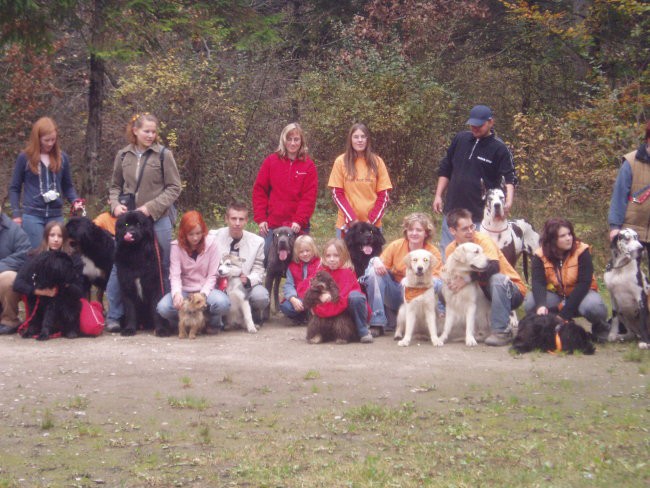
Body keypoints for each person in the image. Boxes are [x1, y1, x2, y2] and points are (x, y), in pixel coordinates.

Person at [105, 113, 182, 332]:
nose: (150, 135)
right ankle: (115, 315)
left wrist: (151, 208)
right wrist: (115, 205)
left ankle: (164, 316)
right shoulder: (123, 155)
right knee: (119, 266)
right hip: (129, 221)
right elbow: (114, 186)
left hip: (157, 219)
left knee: (162, 267)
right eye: (146, 131)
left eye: (154, 131)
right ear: (135, 131)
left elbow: (174, 188)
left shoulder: (163, 155)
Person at [433, 105, 516, 257]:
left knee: (476, 257)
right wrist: (438, 195)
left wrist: (508, 202)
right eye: (472, 125)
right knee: (448, 253)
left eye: (479, 125)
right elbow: (446, 168)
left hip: (478, 215)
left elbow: (510, 178)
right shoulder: (460, 139)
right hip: (452, 209)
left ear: (491, 122)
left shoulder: (500, 148)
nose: (475, 128)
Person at [445, 208, 526, 346]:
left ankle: (501, 332)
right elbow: (453, 276)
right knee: (446, 289)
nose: (471, 231)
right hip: (483, 291)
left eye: (472, 226)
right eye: (465, 229)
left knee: (497, 279)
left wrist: (467, 279)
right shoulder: (451, 250)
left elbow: (494, 267)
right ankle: (470, 329)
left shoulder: (482, 240)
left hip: (511, 290)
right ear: (453, 231)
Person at [524, 218, 609, 342]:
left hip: (582, 294)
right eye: (563, 236)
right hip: (557, 295)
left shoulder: (582, 251)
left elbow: (584, 284)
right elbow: (538, 283)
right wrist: (541, 305)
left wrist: (564, 314)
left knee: (594, 307)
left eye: (570, 234)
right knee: (531, 303)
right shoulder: (539, 255)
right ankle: (554, 330)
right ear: (552, 239)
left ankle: (600, 327)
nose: (569, 238)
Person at [362, 212, 443, 337]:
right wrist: (375, 260)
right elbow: (380, 265)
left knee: (437, 284)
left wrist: (415, 282)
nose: (414, 233)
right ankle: (376, 323)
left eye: (419, 230)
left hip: (420, 297)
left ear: (426, 233)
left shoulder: (433, 252)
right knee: (374, 272)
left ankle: (404, 323)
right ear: (406, 231)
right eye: (411, 229)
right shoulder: (396, 245)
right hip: (397, 292)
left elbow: (437, 283)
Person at [8, 117, 83, 249]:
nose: (50, 143)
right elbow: (14, 188)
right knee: (37, 254)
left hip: (56, 216)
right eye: (46, 140)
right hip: (32, 216)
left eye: (53, 140)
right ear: (37, 139)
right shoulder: (25, 158)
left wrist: (75, 201)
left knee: (58, 255)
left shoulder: (62, 158)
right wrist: (16, 214)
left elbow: (68, 186)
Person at [252, 123, 318, 260]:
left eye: (296, 139)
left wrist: (299, 220)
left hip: (297, 225)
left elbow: (309, 197)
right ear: (283, 140)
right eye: (289, 139)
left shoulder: (308, 165)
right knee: (263, 257)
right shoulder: (271, 161)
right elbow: (260, 191)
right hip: (273, 224)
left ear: (301, 141)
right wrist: (261, 219)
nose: (292, 143)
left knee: (301, 260)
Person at [156, 211, 224, 333]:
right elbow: (175, 275)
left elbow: (212, 275)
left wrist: (203, 295)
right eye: (190, 234)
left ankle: (212, 324)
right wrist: (177, 294)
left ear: (203, 231)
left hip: (206, 288)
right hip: (185, 289)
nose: (195, 238)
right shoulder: (176, 247)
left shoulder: (212, 244)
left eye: (198, 233)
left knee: (222, 303)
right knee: (163, 308)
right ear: (183, 233)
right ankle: (183, 325)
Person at [12, 221, 84, 331]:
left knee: (88, 326)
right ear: (46, 237)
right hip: (39, 303)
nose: (56, 239)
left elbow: (80, 291)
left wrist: (66, 284)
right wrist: (39, 291)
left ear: (64, 239)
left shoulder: (74, 259)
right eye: (52, 235)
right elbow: (18, 284)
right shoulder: (35, 256)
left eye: (60, 236)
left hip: (66, 305)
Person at [209, 201, 269, 325]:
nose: (237, 223)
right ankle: (219, 317)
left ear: (246, 220)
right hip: (219, 285)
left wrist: (247, 279)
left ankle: (252, 313)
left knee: (261, 296)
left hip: (244, 286)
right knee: (220, 303)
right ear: (226, 219)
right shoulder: (213, 237)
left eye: (241, 219)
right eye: (233, 218)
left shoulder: (258, 242)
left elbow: (259, 270)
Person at [328, 123, 392, 238]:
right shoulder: (341, 161)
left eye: (363, 137)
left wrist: (371, 221)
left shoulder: (377, 162)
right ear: (350, 140)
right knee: (345, 256)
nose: (360, 140)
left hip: (372, 225)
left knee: (372, 257)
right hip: (347, 225)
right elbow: (337, 194)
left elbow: (384, 195)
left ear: (367, 140)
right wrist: (352, 220)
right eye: (356, 137)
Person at [312, 239, 373, 343]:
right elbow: (309, 287)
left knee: (355, 297)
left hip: (347, 309)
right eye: (328, 256)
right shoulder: (321, 272)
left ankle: (362, 330)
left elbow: (342, 298)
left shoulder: (347, 273)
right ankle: (326, 332)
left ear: (343, 256)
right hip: (332, 308)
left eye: (336, 256)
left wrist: (329, 298)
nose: (331, 259)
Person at [608, 120, 650, 269]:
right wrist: (614, 227)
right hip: (631, 231)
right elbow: (619, 197)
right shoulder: (631, 162)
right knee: (625, 276)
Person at [0, 213, 31, 334]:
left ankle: (9, 320)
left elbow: (24, 255)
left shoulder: (14, 230)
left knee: (9, 278)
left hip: (5, 277)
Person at [279, 235, 321, 325]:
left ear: (313, 250)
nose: (305, 254)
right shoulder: (292, 266)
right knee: (286, 307)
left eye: (307, 251)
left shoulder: (320, 264)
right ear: (296, 253)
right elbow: (289, 284)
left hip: (314, 298)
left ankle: (308, 315)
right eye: (301, 252)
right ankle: (303, 316)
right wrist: (292, 298)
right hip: (299, 298)